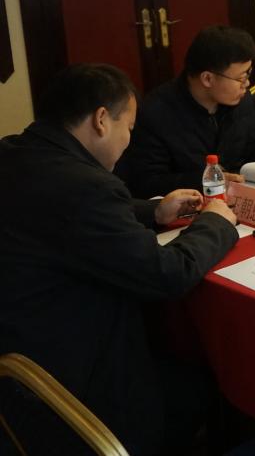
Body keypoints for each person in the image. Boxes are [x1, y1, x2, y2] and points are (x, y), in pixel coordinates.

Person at [0, 64, 239, 455]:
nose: (129, 140)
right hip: (73, 382)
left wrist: (153, 211)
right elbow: (167, 274)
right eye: (128, 127)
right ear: (100, 120)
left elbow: (67, 218)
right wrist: (215, 222)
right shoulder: (86, 187)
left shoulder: (16, 152)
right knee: (211, 378)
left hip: (18, 359)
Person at [116, 26, 255, 198]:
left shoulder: (241, 100)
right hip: (186, 209)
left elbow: (254, 143)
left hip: (236, 198)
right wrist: (208, 181)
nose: (247, 84)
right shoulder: (156, 113)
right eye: (241, 78)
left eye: (248, 74)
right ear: (208, 79)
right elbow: (147, 183)